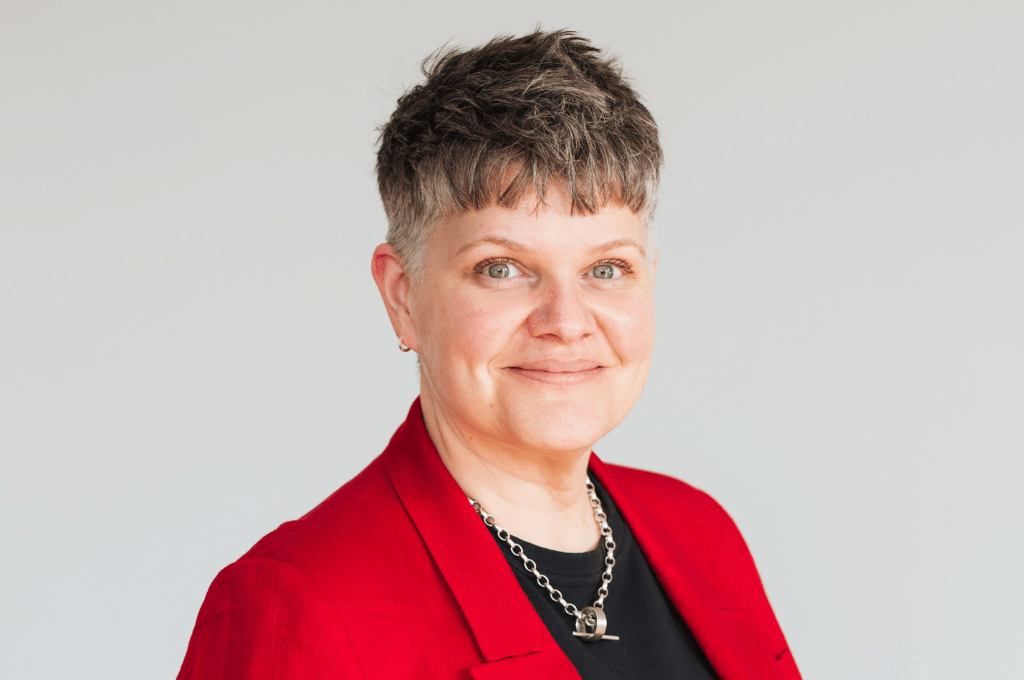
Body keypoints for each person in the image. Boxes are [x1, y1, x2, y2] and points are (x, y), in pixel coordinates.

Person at [177, 29, 802, 679]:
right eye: (501, 268)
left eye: (608, 268)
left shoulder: (702, 535)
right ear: (403, 295)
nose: (565, 322)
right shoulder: (298, 602)